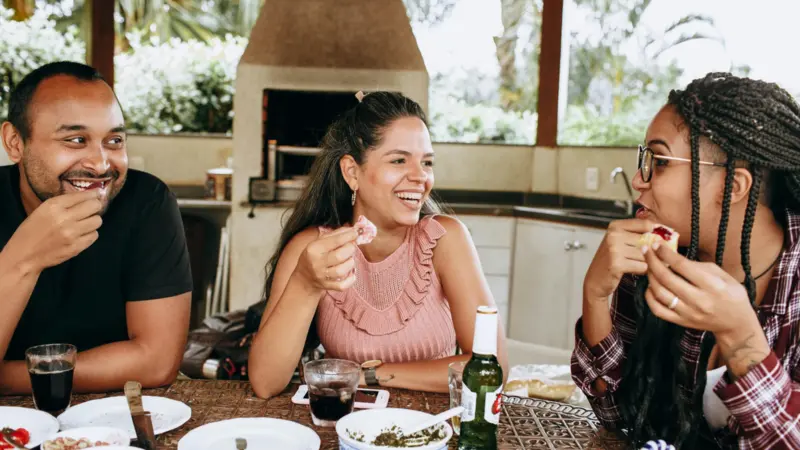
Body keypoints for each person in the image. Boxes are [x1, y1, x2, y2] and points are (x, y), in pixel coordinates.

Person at [571, 72, 800, 449]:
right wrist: (595, 297)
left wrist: (742, 340)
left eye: (659, 161)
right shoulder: (655, 258)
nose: (638, 180)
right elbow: (619, 418)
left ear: (733, 187)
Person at [248, 91, 508, 398]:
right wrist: (306, 283)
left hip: (435, 429)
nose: (421, 177)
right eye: (399, 160)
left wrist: (369, 374)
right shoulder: (314, 249)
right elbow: (265, 383)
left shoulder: (444, 240)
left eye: (427, 162)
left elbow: (493, 368)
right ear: (352, 172)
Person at [0, 61, 192, 394]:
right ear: (15, 142)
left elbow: (157, 362)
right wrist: (23, 259)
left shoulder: (147, 202)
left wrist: (7, 378)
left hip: (116, 413)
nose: (101, 164)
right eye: (76, 140)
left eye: (114, 140)